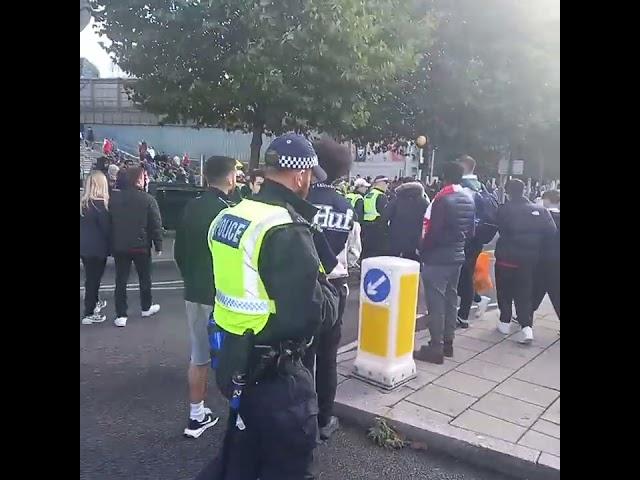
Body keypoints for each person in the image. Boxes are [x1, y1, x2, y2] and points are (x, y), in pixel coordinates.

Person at [195, 133, 338, 480]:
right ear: (301, 176)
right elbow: (311, 313)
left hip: (234, 360)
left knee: (240, 459)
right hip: (278, 376)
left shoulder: (231, 215)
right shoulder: (284, 227)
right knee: (287, 467)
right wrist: (332, 296)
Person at [174, 156, 238, 439]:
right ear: (230, 177)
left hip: (195, 292)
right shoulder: (229, 211)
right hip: (225, 295)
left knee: (199, 356)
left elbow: (179, 252)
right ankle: (240, 418)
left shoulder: (192, 206)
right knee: (238, 356)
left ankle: (196, 415)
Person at [304, 138, 361, 441]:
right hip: (334, 286)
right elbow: (353, 254)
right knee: (328, 356)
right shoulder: (346, 207)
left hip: (301, 283)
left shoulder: (300, 200)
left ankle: (301, 416)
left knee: (301, 353)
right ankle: (324, 419)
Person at [414, 162, 475, 364]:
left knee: (436, 303)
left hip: (438, 258)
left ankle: (436, 346)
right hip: (457, 256)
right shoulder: (468, 199)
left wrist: (422, 250)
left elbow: (432, 232)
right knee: (450, 299)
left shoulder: (442, 200)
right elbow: (471, 232)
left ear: (444, 177)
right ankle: (448, 342)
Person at [495, 179, 557, 344]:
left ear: (508, 192)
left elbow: (500, 229)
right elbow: (551, 233)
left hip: (505, 259)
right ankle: (526, 328)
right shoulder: (541, 211)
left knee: (504, 291)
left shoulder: (504, 210)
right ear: (523, 191)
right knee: (525, 293)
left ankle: (504, 322)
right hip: (528, 262)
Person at [109, 167, 163, 328]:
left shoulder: (114, 199)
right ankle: (146, 307)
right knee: (144, 278)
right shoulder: (147, 199)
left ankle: (121, 314)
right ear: (137, 179)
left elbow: (109, 223)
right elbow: (155, 224)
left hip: (120, 246)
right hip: (141, 245)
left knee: (121, 280)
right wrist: (158, 244)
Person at [457, 155, 497, 327]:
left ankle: (463, 315)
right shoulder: (481, 187)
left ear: (463, 166)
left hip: (465, 236)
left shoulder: (464, 188)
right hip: (477, 237)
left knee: (463, 275)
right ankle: (478, 299)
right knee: (465, 273)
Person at [80, 170, 111, 325]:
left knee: (90, 278)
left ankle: (93, 303)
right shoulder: (101, 206)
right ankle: (89, 312)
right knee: (94, 280)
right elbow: (106, 230)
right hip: (98, 250)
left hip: (84, 248)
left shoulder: (83, 204)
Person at [383, 181, 429, 261]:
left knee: (394, 262)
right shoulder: (423, 202)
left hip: (396, 237)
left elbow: (385, 216)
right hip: (415, 238)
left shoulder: (396, 200)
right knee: (412, 263)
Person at [532, 189, 560, 320]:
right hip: (556, 260)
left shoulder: (542, 216)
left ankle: (525, 314)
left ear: (547, 200)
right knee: (553, 291)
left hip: (542, 258)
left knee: (538, 287)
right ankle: (526, 312)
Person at [361, 175, 390, 258]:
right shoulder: (381, 196)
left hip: (367, 226)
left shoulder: (368, 195)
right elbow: (384, 214)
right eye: (386, 183)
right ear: (380, 183)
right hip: (378, 227)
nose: (387, 185)